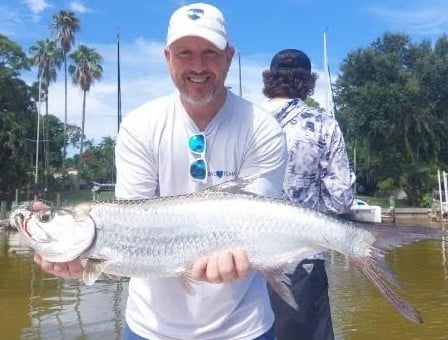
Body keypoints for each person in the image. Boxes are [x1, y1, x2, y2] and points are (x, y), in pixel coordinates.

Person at [34, 3, 287, 339]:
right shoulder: (140, 126)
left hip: (245, 328)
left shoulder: (263, 128)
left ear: (229, 57)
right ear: (168, 57)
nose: (198, 66)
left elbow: (259, 226)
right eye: (185, 53)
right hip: (150, 328)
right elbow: (132, 226)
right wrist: (82, 261)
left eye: (210, 52)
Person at [260, 49, 355, 340]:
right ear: (307, 83)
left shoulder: (246, 122)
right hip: (301, 260)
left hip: (242, 263)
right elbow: (341, 200)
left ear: (270, 80)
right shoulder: (323, 125)